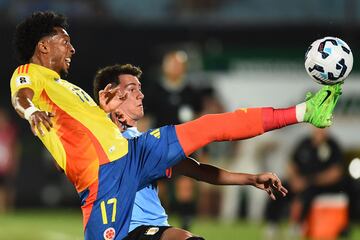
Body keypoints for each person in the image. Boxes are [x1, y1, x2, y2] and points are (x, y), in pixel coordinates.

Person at [10, 11, 343, 240]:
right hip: (103, 179)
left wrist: (248, 179)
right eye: (64, 41)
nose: (72, 47)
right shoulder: (30, 73)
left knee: (209, 126)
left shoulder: (67, 88)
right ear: (43, 46)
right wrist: (29, 112)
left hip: (131, 152)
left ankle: (304, 111)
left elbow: (190, 167)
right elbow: (22, 96)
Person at [93, 63, 289, 240]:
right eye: (132, 89)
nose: (141, 95)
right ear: (110, 94)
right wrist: (103, 113)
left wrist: (251, 179)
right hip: (125, 232)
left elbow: (195, 170)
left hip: (155, 228)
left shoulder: (143, 142)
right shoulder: (96, 139)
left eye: (140, 89)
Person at [288, 127, 346, 237]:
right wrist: (294, 179)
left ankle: (299, 224)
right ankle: (272, 224)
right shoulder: (304, 143)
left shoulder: (332, 145)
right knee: (278, 187)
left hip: (320, 185)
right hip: (300, 181)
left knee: (307, 194)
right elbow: (291, 164)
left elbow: (336, 173)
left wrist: (310, 181)